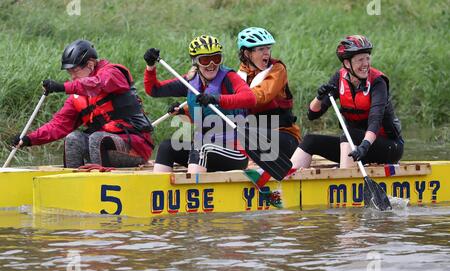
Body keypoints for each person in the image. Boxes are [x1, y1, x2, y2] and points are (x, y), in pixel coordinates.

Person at [11, 39, 154, 168]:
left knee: (97, 138)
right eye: (69, 72)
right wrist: (29, 139)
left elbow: (97, 84)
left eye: (75, 71)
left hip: (134, 147)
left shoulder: (112, 73)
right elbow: (58, 125)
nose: (72, 77)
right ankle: (72, 186)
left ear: (90, 64)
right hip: (101, 147)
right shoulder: (77, 96)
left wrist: (62, 87)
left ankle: (100, 182)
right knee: (73, 139)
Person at [143, 35, 256, 173]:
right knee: (167, 147)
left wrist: (216, 99)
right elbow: (154, 90)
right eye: (205, 60)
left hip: (234, 152)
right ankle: (159, 190)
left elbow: (250, 98)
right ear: (195, 62)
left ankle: (195, 190)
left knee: (201, 149)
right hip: (205, 150)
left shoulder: (229, 77)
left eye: (216, 58)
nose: (211, 65)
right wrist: (150, 66)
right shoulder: (190, 81)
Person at [290, 35, 404, 169]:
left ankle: (344, 179)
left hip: (388, 147)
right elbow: (312, 114)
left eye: (367, 58)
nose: (365, 64)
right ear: (347, 63)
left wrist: (365, 146)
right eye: (360, 60)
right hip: (354, 145)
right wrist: (319, 97)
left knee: (350, 135)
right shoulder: (340, 77)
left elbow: (375, 120)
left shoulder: (378, 82)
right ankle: (287, 181)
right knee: (310, 140)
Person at [236, 27, 300, 162]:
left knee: (246, 136)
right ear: (247, 53)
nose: (267, 53)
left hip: (284, 136)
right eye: (260, 49)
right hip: (256, 138)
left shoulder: (277, 69)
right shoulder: (240, 74)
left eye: (268, 48)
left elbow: (262, 95)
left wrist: (231, 99)